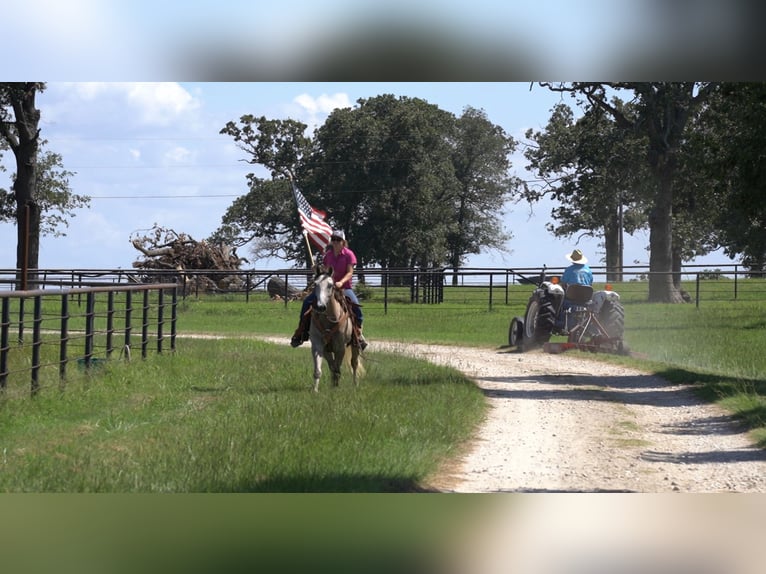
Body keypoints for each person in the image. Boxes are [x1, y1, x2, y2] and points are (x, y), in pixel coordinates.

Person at [290, 229, 368, 350]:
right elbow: (325, 272)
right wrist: (316, 270)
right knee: (306, 303)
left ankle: (358, 336)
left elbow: (350, 272)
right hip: (327, 288)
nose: (335, 242)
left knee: (357, 309)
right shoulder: (328, 256)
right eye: (333, 239)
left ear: (343, 242)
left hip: (344, 288)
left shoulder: (349, 254)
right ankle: (300, 332)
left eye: (338, 240)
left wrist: (341, 282)